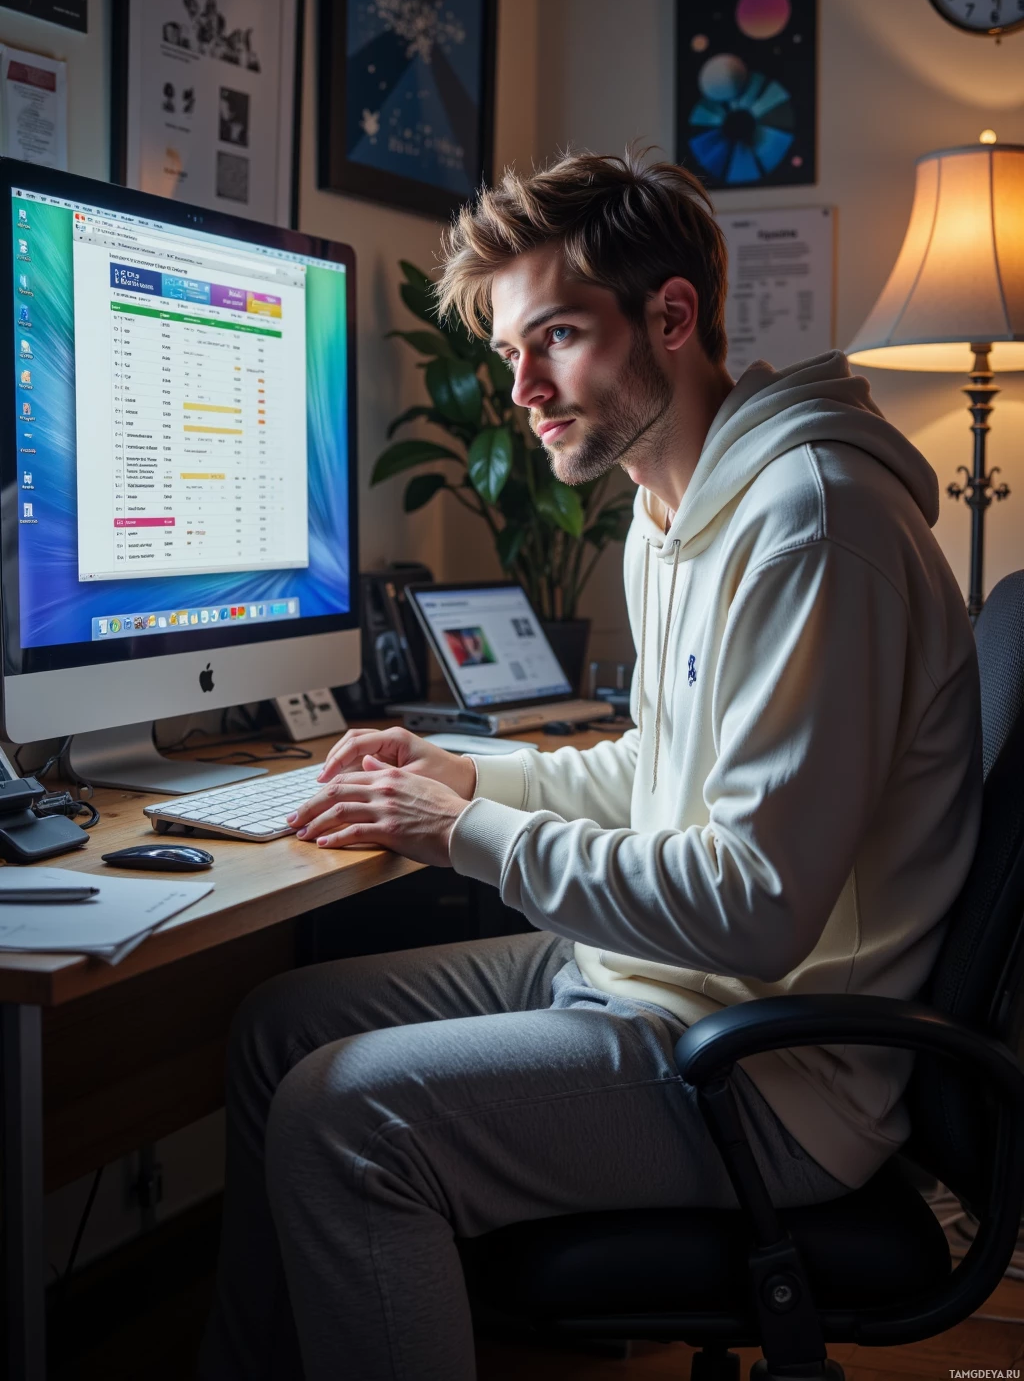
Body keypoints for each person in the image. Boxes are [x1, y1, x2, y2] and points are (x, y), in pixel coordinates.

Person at [199, 151, 982, 1381]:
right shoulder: (672, 509)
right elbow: (655, 778)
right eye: (511, 351)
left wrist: (460, 835)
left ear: (670, 318)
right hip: (655, 990)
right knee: (274, 1029)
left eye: (554, 338)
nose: (521, 389)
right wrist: (462, 778)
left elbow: (755, 907)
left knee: (341, 1114)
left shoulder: (810, 526)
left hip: (773, 1072)